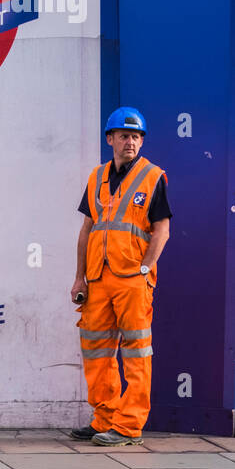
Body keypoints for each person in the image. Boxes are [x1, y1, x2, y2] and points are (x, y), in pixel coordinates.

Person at [70, 107, 171, 447]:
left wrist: (145, 268)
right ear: (110, 139)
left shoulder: (153, 176)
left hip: (132, 279)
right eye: (124, 135)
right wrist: (79, 277)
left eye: (137, 136)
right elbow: (87, 229)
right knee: (96, 351)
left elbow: (162, 230)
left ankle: (128, 426)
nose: (131, 142)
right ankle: (104, 418)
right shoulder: (96, 177)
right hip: (98, 278)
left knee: (136, 352)